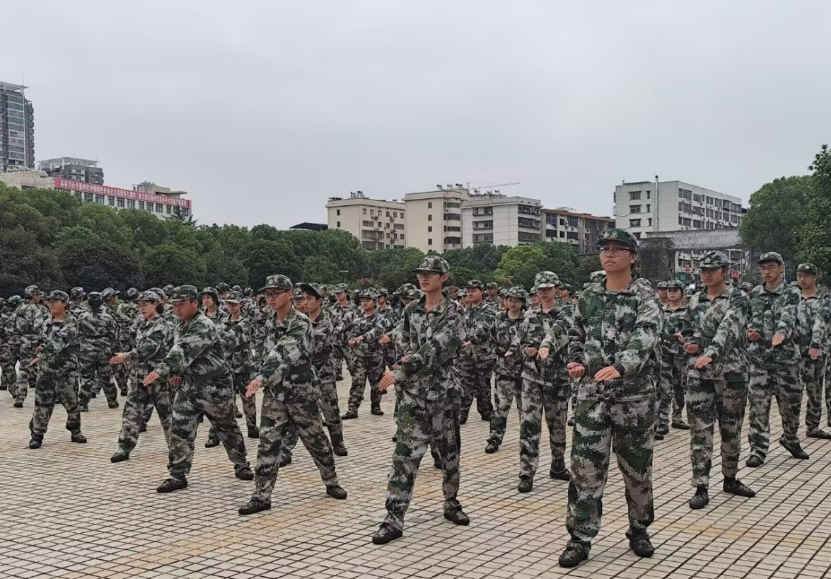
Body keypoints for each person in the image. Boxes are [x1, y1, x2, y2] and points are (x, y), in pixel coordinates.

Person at [559, 229, 661, 568]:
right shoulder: (589, 295)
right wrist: (575, 360)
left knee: (637, 470)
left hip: (634, 399)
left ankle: (639, 529)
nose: (610, 254)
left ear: (633, 257)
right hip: (592, 398)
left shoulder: (644, 296)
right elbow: (576, 334)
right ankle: (580, 537)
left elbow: (645, 336)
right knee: (585, 470)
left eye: (619, 249)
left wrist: (621, 367)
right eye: (605, 249)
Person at [372, 256, 468, 545]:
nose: (424, 278)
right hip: (413, 395)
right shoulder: (410, 309)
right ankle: (393, 518)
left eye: (431, 274)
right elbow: (402, 342)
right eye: (421, 274)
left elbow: (438, 348)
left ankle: (451, 502)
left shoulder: (454, 311)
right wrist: (405, 362)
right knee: (404, 457)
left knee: (449, 454)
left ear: (444, 277)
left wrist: (403, 369)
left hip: (443, 394)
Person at [239, 275, 346, 515]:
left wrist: (261, 377)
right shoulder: (269, 322)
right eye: (268, 294)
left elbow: (284, 350)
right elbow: (264, 353)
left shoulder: (301, 322)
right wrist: (260, 375)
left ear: (289, 294)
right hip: (275, 391)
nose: (270, 298)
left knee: (314, 438)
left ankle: (331, 481)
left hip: (301, 390)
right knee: (268, 441)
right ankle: (261, 495)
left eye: (276, 293)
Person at [143, 285, 253, 493]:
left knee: (226, 427)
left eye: (181, 304)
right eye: (174, 304)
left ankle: (241, 464)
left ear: (195, 303)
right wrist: (177, 372)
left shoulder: (203, 324)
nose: (177, 308)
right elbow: (181, 352)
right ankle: (177, 474)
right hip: (189, 386)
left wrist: (162, 369)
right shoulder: (180, 325)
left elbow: (184, 349)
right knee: (180, 429)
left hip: (214, 386)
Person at [681, 251, 755, 509]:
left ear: (724, 271)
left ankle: (730, 478)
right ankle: (700, 485)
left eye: (712, 270)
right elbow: (687, 329)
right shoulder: (695, 300)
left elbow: (728, 329)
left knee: (731, 428)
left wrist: (711, 353)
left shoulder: (738, 298)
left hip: (731, 373)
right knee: (700, 431)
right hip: (699, 374)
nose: (707, 274)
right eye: (703, 270)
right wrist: (690, 344)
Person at [512, 272, 572, 493]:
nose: (544, 292)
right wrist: (525, 350)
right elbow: (518, 341)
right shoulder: (530, 315)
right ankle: (526, 472)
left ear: (556, 288)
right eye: (540, 289)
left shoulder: (566, 313)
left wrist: (546, 347)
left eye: (548, 288)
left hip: (558, 379)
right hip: (532, 378)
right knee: (529, 424)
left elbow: (563, 334)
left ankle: (558, 465)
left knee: (557, 425)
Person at [746, 252, 806, 466]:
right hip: (759, 359)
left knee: (791, 405)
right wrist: (751, 332)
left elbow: (788, 316)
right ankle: (758, 448)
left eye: (771, 267)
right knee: (758, 407)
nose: (767, 272)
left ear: (781, 268)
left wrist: (781, 332)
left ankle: (790, 438)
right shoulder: (755, 293)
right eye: (763, 268)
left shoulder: (792, 292)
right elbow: (749, 319)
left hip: (786, 359)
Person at [110, 291, 173, 462]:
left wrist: (126, 356)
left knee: (167, 416)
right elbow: (132, 337)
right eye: (139, 305)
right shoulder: (141, 322)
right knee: (131, 414)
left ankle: (176, 449)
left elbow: (148, 349)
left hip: (158, 378)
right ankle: (124, 447)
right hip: (139, 377)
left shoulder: (161, 325)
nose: (141, 308)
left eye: (145, 305)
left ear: (155, 304)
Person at [28, 290, 87, 449]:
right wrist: (40, 348)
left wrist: (43, 354)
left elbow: (61, 341)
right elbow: (43, 341)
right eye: (50, 301)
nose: (52, 304)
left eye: (56, 301)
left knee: (72, 402)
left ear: (65, 303)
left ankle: (75, 431)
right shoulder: (47, 321)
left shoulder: (71, 322)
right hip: (46, 370)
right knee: (42, 403)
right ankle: (37, 435)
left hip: (66, 370)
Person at [298, 282, 348, 456]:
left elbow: (313, 344)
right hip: (305, 371)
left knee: (330, 409)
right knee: (299, 410)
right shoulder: (300, 320)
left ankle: (338, 442)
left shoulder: (326, 321)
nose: (305, 302)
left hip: (323, 370)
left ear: (320, 300)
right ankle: (287, 450)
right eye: (303, 298)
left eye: (309, 299)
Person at [485, 285, 526, 454]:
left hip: (524, 371)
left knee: (525, 408)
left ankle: (526, 440)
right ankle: (494, 438)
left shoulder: (528, 319)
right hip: (503, 370)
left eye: (517, 300)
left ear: (522, 302)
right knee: (501, 407)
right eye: (510, 300)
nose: (513, 303)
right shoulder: (499, 317)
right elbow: (490, 339)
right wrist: (497, 350)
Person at [795, 263, 831, 439]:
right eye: (799, 276)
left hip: (815, 352)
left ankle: (813, 426)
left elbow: (821, 322)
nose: (802, 279)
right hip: (794, 351)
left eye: (807, 276)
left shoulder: (824, 299)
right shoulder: (792, 298)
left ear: (815, 277)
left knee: (814, 390)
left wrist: (815, 343)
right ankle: (790, 430)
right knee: (792, 391)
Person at [342, 289, 388, 419]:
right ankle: (352, 410)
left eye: (367, 300)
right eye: (362, 301)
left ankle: (376, 406)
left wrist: (361, 337)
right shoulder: (357, 319)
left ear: (374, 302)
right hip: (359, 356)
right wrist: (351, 341)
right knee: (357, 383)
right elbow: (351, 334)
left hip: (375, 356)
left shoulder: (380, 318)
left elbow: (377, 332)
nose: (364, 303)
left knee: (376, 384)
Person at [459, 280, 495, 424]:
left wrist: (472, 340)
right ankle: (462, 414)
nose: (470, 293)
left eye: (474, 290)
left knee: (483, 385)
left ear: (481, 291)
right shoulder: (464, 311)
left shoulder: (489, 310)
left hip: (483, 355)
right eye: (468, 290)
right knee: (464, 385)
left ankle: (486, 412)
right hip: (466, 355)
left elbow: (484, 328)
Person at [656, 280, 690, 438]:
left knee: (679, 386)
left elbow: (693, 329)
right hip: (664, 353)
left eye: (675, 290)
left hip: (681, 354)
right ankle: (662, 421)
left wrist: (686, 337)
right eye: (669, 290)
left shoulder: (688, 311)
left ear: (682, 292)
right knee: (664, 388)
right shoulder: (661, 311)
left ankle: (677, 417)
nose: (671, 293)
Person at [14, 285, 49, 408]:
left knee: (24, 368)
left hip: (24, 340)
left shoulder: (19, 308)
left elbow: (16, 326)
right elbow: (39, 326)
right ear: (34, 295)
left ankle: (19, 396)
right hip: (35, 340)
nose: (39, 297)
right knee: (40, 368)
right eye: (38, 295)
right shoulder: (35, 309)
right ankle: (42, 397)